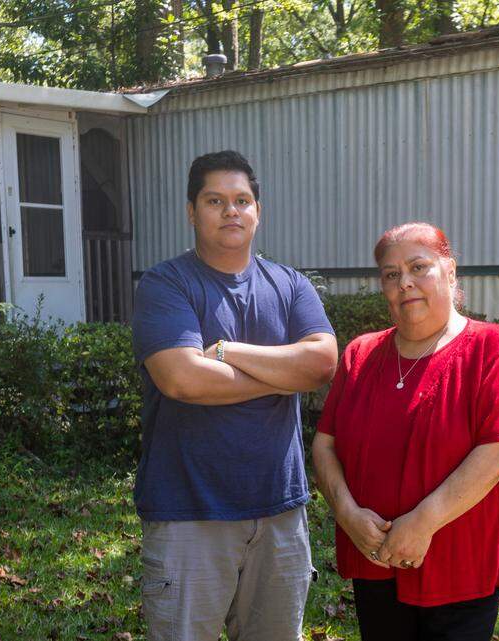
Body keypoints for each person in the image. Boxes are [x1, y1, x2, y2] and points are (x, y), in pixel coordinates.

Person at [130, 150, 337, 641]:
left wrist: (226, 352)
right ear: (191, 211)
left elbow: (323, 363)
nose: (231, 211)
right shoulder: (166, 284)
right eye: (215, 200)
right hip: (189, 513)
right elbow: (184, 380)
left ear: (257, 211)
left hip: (280, 514)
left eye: (242, 200)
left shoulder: (290, 286)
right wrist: (283, 373)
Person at [312, 222, 499, 641]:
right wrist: (347, 515)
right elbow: (325, 445)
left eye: (419, 267)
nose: (406, 283)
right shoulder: (360, 354)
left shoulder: (490, 347)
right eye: (391, 274)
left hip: (458, 563)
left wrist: (423, 522)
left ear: (450, 272)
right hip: (374, 556)